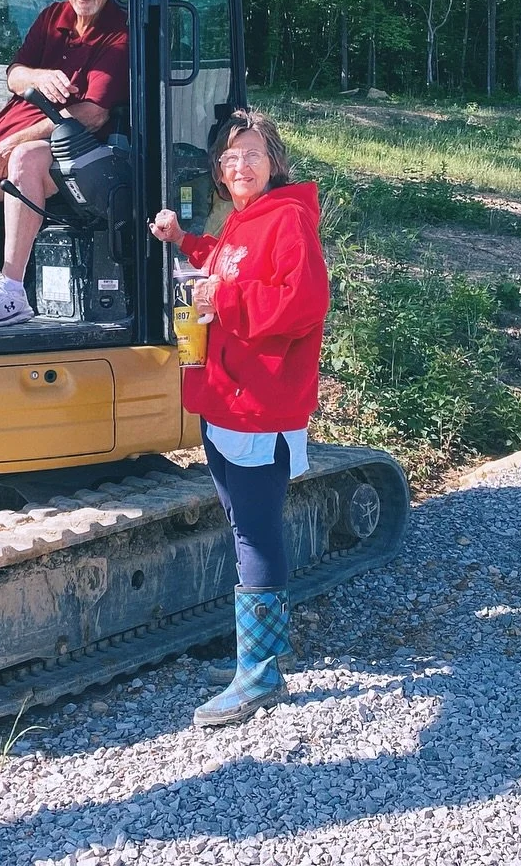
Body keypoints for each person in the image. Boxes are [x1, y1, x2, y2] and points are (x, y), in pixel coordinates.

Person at [149, 109, 330, 727]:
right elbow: (227, 264)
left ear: (274, 160)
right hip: (226, 396)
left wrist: (221, 298)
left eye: (251, 153)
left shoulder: (288, 220)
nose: (239, 165)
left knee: (253, 531)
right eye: (228, 159)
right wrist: (185, 244)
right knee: (242, 522)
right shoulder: (243, 223)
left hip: (260, 403)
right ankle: (263, 650)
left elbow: (302, 303)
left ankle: (258, 675)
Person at [0, 0, 128, 327]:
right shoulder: (52, 18)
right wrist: (38, 76)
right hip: (1, 153)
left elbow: (92, 114)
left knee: (25, 158)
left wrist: (16, 140)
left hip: (78, 158)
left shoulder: (120, 31)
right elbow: (14, 75)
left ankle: (11, 291)